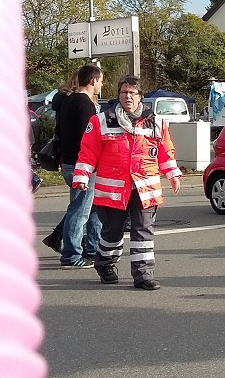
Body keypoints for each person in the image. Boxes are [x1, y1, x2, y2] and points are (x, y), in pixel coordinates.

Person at [73, 75, 182, 291]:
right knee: (112, 232)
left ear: (140, 96)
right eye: (124, 92)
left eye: (133, 93)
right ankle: (104, 263)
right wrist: (82, 176)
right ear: (118, 96)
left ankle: (143, 275)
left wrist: (172, 174)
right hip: (113, 188)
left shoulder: (156, 122)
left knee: (143, 231)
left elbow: (165, 151)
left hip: (145, 187)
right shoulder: (101, 121)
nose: (128, 96)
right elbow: (88, 151)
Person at [55, 64, 104, 268]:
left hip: (69, 162)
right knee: (80, 210)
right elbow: (88, 138)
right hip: (82, 165)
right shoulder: (85, 105)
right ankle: (71, 255)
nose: (101, 85)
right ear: (93, 81)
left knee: (93, 208)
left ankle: (92, 248)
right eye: (101, 81)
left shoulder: (67, 101)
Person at [40, 69, 86, 254]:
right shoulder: (77, 103)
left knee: (80, 205)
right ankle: (72, 249)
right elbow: (82, 134)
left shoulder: (62, 102)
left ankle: (59, 236)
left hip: (66, 158)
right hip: (78, 160)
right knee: (81, 207)